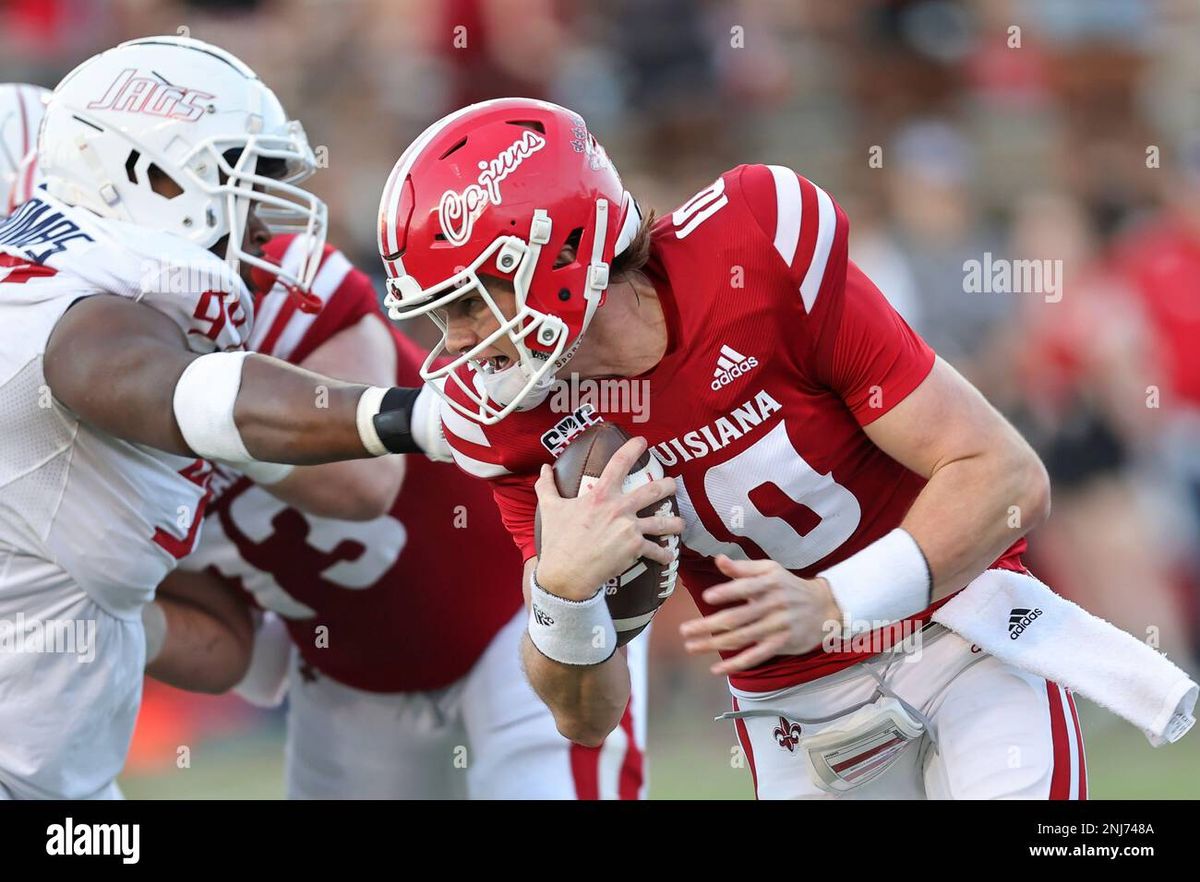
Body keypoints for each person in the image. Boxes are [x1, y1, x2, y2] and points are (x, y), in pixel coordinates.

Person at [377, 97, 1088, 799]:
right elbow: (586, 719)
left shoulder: (754, 246)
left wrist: (838, 602)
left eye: (470, 301)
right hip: (798, 715)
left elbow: (1006, 478)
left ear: (564, 251)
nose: (459, 340)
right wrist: (564, 597)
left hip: (961, 631)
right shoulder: (514, 423)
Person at [0, 37, 437, 800]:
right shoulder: (91, 310)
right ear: (144, 175)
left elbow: (215, 642)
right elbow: (180, 390)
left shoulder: (78, 278)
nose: (265, 228)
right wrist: (421, 416)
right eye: (243, 180)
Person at [155, 233, 648, 799]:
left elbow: (366, 482)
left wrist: (209, 426)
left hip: (520, 604)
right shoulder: (88, 471)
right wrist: (111, 617)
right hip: (352, 677)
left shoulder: (276, 284)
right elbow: (235, 651)